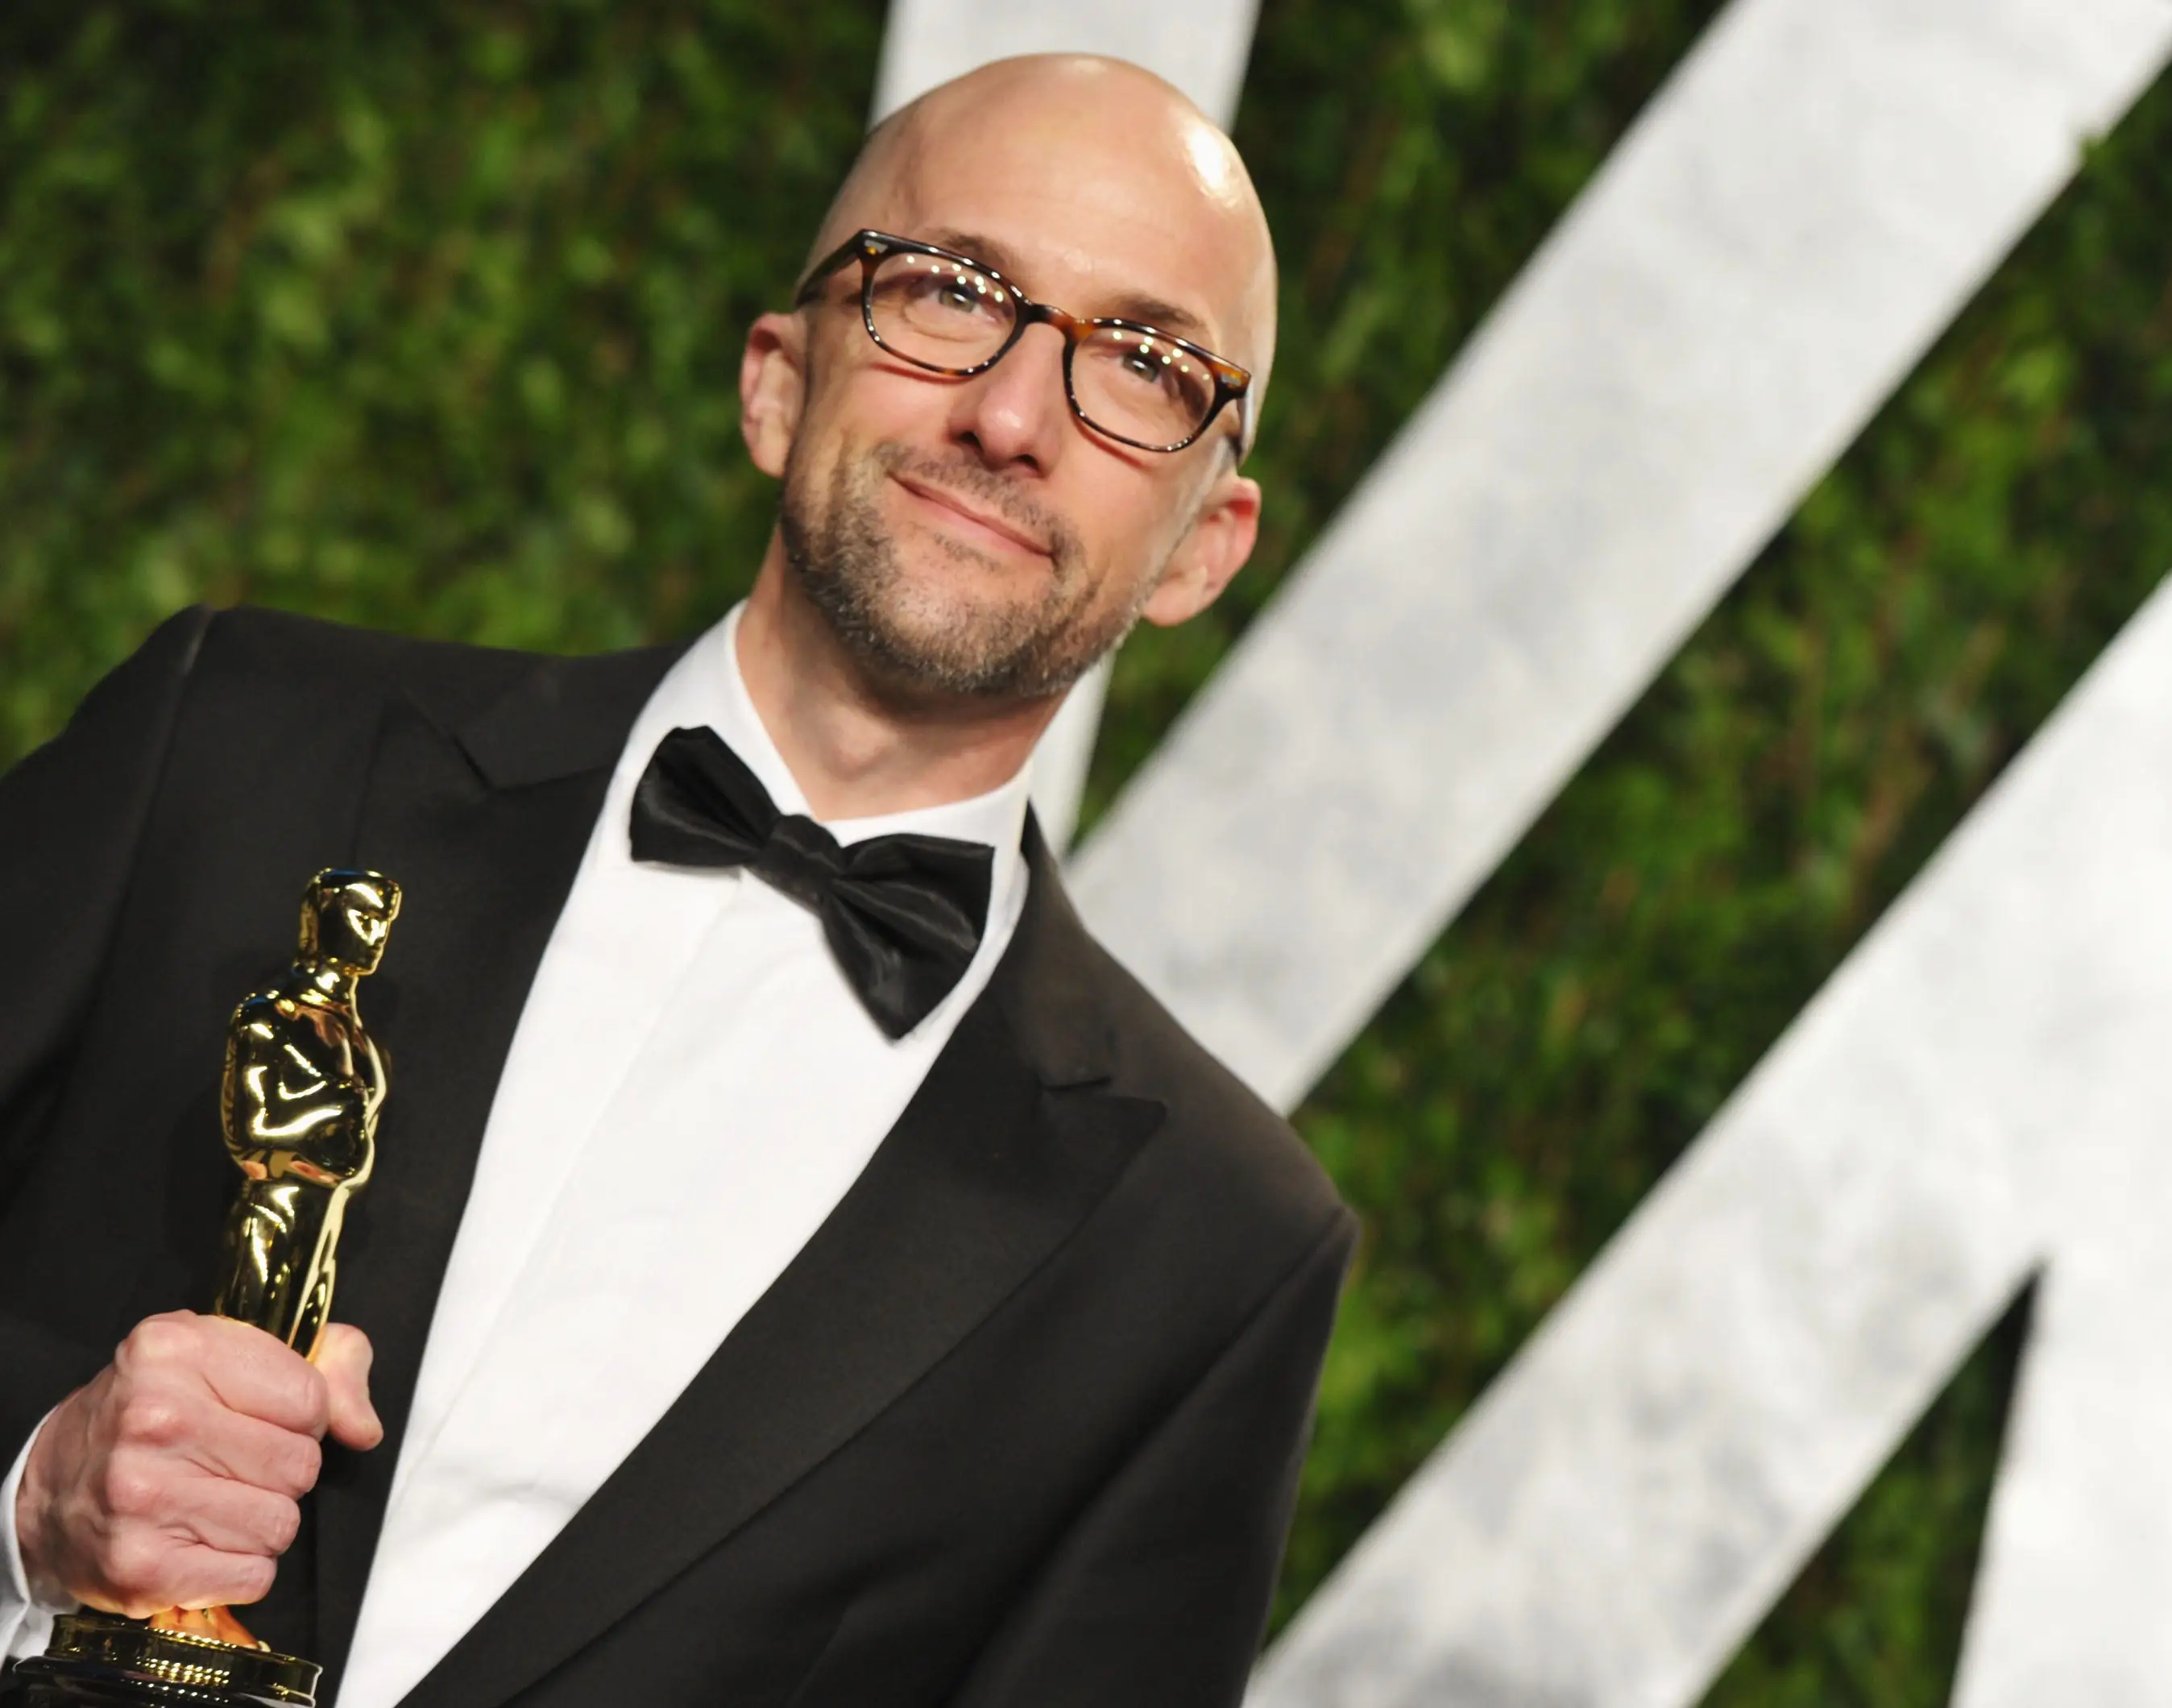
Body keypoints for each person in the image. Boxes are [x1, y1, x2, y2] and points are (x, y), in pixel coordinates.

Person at [0, 52, 1355, 1708]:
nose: (1010, 416)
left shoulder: (1211, 1256)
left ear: (1206, 547)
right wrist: (29, 1504)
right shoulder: (234, 745)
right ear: (778, 379)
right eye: (949, 290)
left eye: (1140, 362)